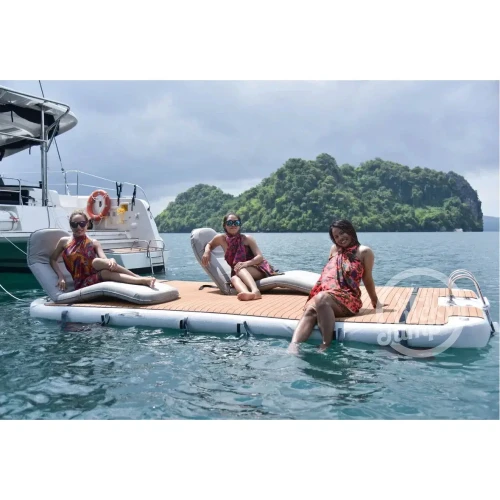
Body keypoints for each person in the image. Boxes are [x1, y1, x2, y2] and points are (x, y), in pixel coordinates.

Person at [289, 219, 381, 352]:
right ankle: (293, 347)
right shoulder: (334, 249)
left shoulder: (364, 252)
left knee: (321, 298)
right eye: (336, 236)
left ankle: (325, 345)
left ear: (350, 230)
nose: (340, 238)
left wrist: (375, 301)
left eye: (342, 233)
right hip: (328, 294)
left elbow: (367, 279)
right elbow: (330, 273)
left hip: (349, 298)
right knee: (311, 310)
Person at [50, 209, 156, 291]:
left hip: (96, 274)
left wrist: (111, 260)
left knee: (97, 262)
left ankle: (138, 278)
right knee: (103, 270)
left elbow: (104, 259)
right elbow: (53, 259)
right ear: (70, 226)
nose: (78, 227)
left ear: (87, 224)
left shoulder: (94, 242)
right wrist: (61, 276)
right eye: (74, 224)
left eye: (82, 224)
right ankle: (140, 279)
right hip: (82, 283)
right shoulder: (64, 242)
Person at [201, 213, 277, 301]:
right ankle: (246, 293)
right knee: (234, 278)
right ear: (225, 225)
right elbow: (209, 244)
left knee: (239, 268)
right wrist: (207, 252)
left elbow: (259, 257)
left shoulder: (247, 239)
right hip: (239, 271)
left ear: (239, 225)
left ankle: (256, 291)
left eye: (236, 223)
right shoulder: (221, 239)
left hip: (258, 269)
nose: (233, 225)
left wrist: (246, 263)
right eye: (230, 223)